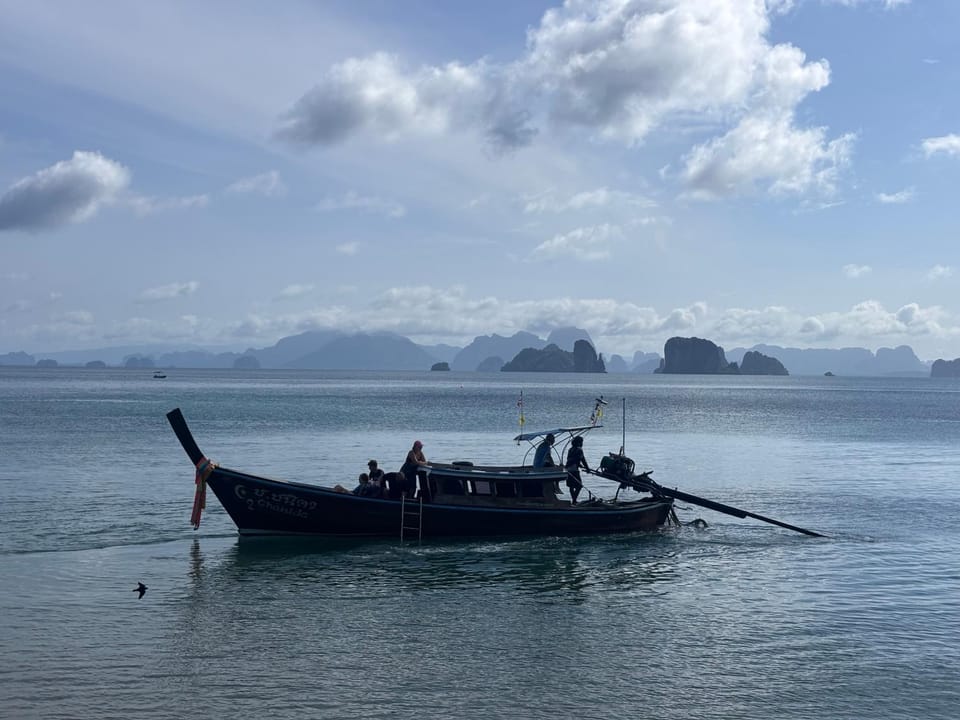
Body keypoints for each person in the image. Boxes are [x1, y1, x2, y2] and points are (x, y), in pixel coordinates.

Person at [564, 435, 591, 504]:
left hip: (568, 469)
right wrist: (587, 468)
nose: (582, 443)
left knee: (571, 486)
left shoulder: (570, 449)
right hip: (574, 470)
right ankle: (574, 500)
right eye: (581, 442)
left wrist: (579, 465)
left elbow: (571, 459)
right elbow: (583, 459)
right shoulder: (579, 450)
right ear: (579, 442)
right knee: (579, 486)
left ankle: (574, 500)